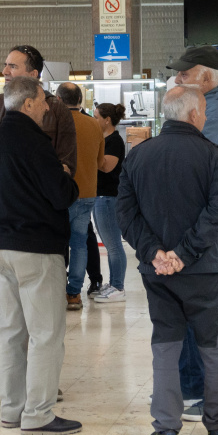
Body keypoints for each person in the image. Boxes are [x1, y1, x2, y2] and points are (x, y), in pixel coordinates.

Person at [118, 86, 218, 435]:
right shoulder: (212, 155)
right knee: (214, 348)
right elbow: (217, 214)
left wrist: (154, 253)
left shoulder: (138, 156)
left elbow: (126, 214)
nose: (205, 117)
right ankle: (217, 430)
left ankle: (166, 431)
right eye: (204, 111)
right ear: (194, 114)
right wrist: (184, 254)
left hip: (158, 273)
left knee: (166, 346)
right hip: (204, 270)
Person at [0, 45, 78, 400]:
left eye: (13, 66)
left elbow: (66, 164)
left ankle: (39, 381)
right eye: (5, 65)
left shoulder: (54, 110)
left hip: (37, 225)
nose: (5, 71)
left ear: (33, 74)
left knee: (41, 313)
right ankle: (0, 371)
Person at [167, 47, 218, 425]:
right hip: (202, 227)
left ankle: (197, 391)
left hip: (207, 229)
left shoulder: (212, 116)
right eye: (178, 74)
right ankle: (191, 387)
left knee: (201, 314)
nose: (178, 79)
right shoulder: (201, 109)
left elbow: (196, 171)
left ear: (207, 78)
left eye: (185, 74)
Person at [61, 83, 104, 310]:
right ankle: (74, 294)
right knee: (79, 244)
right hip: (87, 191)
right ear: (80, 99)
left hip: (60, 193)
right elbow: (99, 161)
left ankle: (56, 289)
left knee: (57, 244)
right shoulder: (93, 124)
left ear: (59, 100)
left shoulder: (56, 122)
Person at [91, 102, 128, 302]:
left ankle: (118, 286)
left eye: (96, 117)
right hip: (99, 196)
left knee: (113, 244)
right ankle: (114, 283)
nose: (93, 120)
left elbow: (106, 167)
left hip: (108, 198)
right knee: (109, 243)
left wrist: (90, 153)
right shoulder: (103, 139)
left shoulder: (114, 141)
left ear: (107, 120)